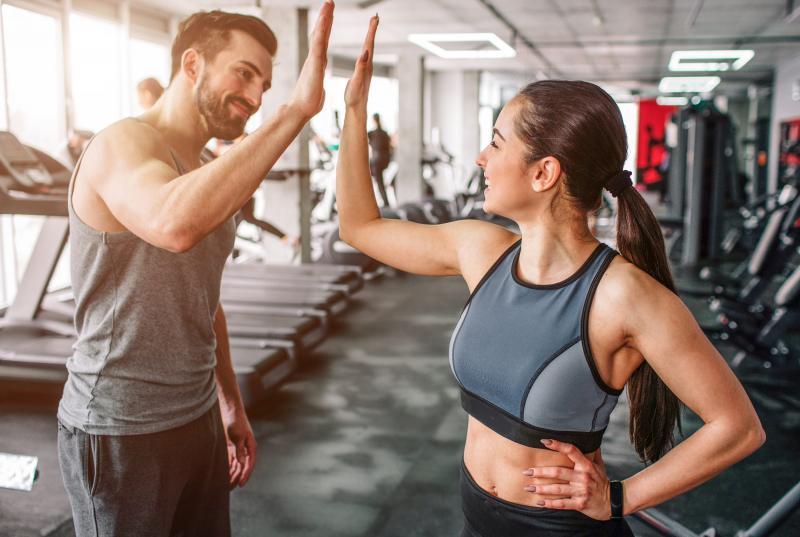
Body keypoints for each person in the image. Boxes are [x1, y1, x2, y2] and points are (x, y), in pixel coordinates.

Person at [337, 17, 765, 537]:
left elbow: (737, 427)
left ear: (544, 173)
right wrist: (354, 111)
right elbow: (361, 226)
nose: (481, 159)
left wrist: (620, 497)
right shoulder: (481, 250)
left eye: (496, 143)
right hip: (475, 515)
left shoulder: (622, 295)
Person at [57, 3, 334, 536]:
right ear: (192, 65)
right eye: (244, 73)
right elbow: (173, 224)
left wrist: (230, 403)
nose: (255, 98)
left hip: (197, 416)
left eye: (266, 86)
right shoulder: (122, 143)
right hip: (119, 425)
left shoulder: (210, 170)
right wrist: (295, 111)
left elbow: (205, 298)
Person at [368, 112, 392, 206]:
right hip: (382, 160)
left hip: (377, 161)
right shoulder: (384, 133)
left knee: (379, 182)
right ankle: (385, 202)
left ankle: (385, 202)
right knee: (379, 182)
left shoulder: (373, 133)